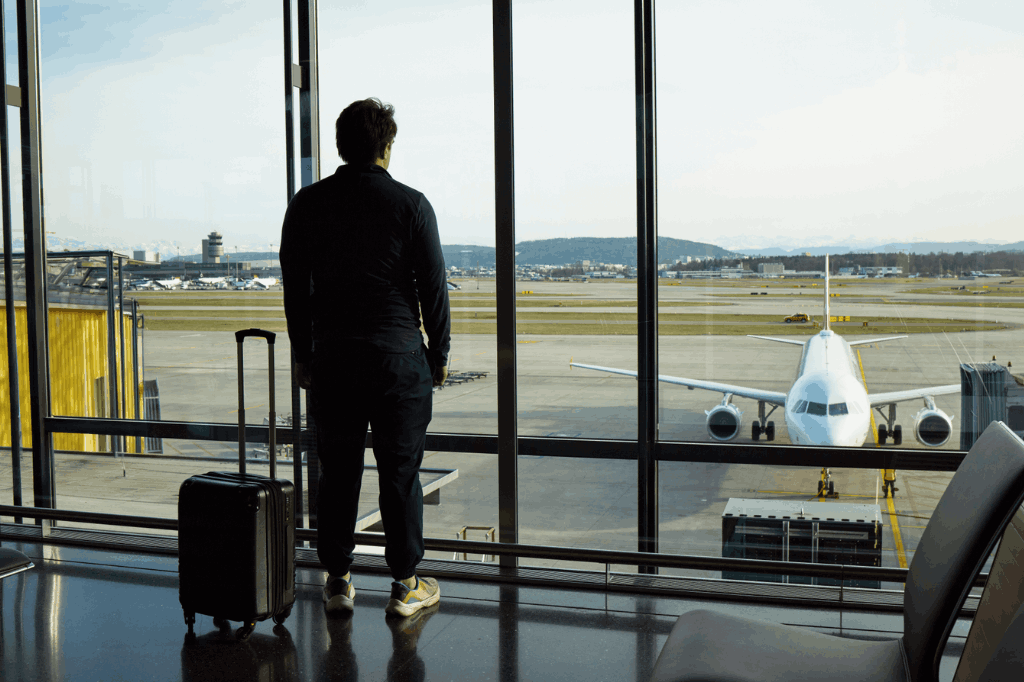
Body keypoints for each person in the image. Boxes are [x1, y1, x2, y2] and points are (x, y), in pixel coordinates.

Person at [279, 97, 451, 617]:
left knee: (338, 473)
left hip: (334, 359)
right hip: (398, 358)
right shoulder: (412, 204)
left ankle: (337, 580)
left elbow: (295, 290)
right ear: (387, 147)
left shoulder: (307, 204)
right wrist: (437, 353)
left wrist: (303, 354)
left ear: (339, 145)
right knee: (400, 473)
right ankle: (405, 585)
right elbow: (433, 288)